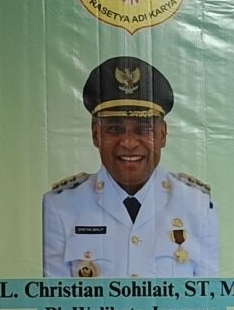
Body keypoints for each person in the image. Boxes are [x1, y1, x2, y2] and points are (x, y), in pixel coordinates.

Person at [42, 56, 218, 278]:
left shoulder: (198, 205)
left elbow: (209, 306)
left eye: (143, 129)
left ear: (162, 134)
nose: (128, 142)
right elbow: (56, 306)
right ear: (96, 135)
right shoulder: (60, 207)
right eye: (115, 129)